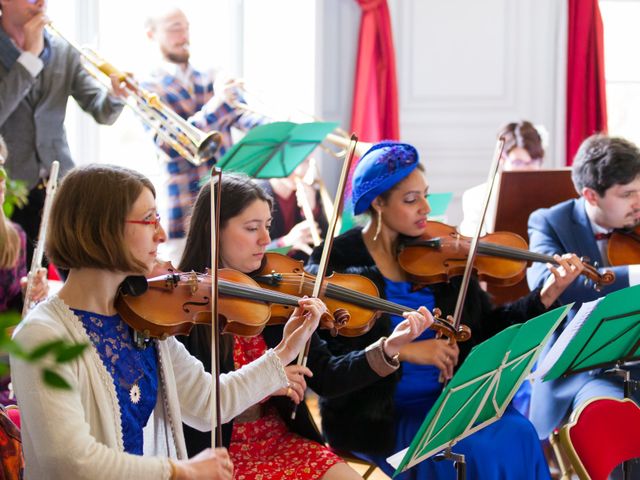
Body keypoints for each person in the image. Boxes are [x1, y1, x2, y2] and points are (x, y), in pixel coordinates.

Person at [9, 164, 324, 480]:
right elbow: (69, 462)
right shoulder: (41, 336)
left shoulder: (140, 318)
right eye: (149, 220)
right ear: (102, 228)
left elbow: (207, 401)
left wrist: (284, 351)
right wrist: (180, 470)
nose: (161, 235)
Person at [307, 141, 584, 479]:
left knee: (518, 431)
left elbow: (488, 327)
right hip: (381, 413)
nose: (426, 207)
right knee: (475, 450)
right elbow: (329, 361)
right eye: (411, 200)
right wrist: (406, 351)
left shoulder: (440, 255)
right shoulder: (336, 261)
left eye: (425, 194)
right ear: (378, 203)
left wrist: (546, 294)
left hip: (451, 400)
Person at [178, 173, 433, 479]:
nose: (265, 239)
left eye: (267, 226)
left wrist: (390, 346)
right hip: (218, 453)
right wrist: (269, 381)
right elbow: (194, 403)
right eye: (251, 228)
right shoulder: (185, 306)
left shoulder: (274, 298)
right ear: (214, 231)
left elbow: (327, 376)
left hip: (281, 440)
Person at [527, 134, 640, 441]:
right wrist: (635, 274)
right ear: (591, 195)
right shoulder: (549, 222)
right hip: (579, 367)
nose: (638, 203)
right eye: (628, 194)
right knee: (613, 422)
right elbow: (548, 287)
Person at [0, 0, 125, 266]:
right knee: (18, 286)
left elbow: (101, 111)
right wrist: (30, 59)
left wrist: (116, 96)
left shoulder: (64, 50)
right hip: (10, 193)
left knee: (71, 277)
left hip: (61, 188)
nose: (42, 3)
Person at [142, 5, 267, 264]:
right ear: (152, 35)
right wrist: (219, 102)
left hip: (229, 209)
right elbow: (168, 143)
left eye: (186, 28)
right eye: (175, 28)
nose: (184, 36)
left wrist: (281, 129)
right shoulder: (148, 87)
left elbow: (242, 116)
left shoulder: (210, 76)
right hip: (183, 210)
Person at [459, 120, 545, 236]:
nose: (527, 169)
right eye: (518, 162)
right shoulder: (476, 197)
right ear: (502, 160)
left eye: (533, 161)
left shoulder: (551, 194)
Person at [0, 134, 47, 314]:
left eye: (1, 166)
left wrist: (28, 294)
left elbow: (13, 313)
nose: (2, 177)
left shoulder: (14, 237)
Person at [259, 159, 328, 260]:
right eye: (294, 161)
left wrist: (313, 210)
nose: (300, 170)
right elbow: (249, 252)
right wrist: (285, 243)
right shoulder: (256, 197)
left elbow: (325, 242)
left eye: (305, 161)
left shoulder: (311, 192)